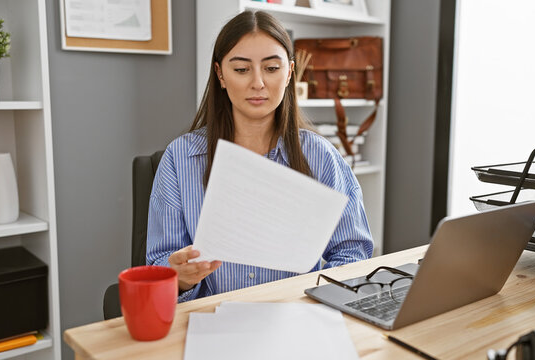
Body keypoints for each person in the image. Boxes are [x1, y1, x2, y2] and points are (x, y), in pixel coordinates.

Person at [146, 10, 373, 302]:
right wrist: (178, 277)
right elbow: (157, 264)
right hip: (209, 322)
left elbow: (352, 253)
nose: (258, 83)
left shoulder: (322, 157)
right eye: (241, 70)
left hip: (295, 319)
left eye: (271, 68)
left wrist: (315, 297)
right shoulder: (180, 159)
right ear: (220, 75)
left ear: (290, 72)